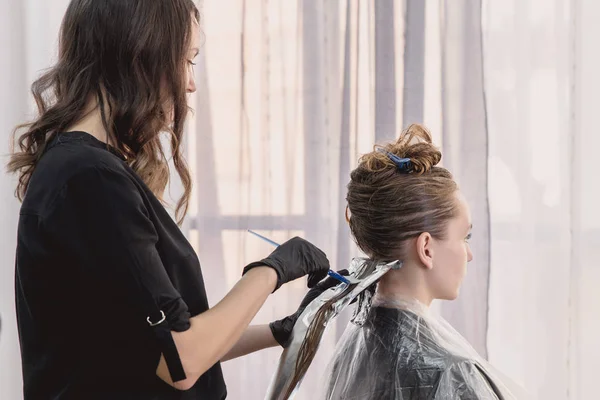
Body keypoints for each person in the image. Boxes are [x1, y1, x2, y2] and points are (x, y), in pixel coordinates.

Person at [8, 1, 331, 399]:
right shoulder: (92, 180)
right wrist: (273, 270)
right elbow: (181, 360)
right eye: (188, 60)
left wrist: (281, 330)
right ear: (143, 54)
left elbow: (154, 348)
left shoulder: (83, 170)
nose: (191, 83)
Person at [283, 124, 524, 399]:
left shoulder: (353, 353)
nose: (469, 254)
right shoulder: (454, 373)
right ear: (426, 248)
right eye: (464, 237)